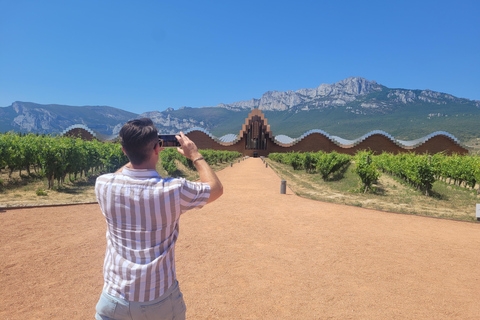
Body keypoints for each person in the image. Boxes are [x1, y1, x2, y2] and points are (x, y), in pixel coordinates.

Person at [94, 118, 223, 320]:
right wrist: (195, 155)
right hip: (157, 300)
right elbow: (215, 188)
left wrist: (138, 151)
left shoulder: (102, 185)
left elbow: (121, 173)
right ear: (158, 148)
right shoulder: (173, 190)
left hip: (113, 299)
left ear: (123, 150)